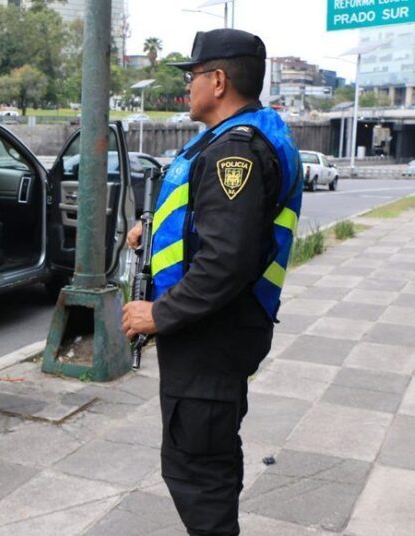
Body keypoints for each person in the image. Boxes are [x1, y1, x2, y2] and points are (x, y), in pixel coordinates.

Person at [122, 29, 303, 535]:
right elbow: (211, 228)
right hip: (218, 334)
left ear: (218, 80)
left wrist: (157, 313)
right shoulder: (237, 140)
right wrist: (152, 232)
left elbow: (226, 260)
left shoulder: (234, 154)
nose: (188, 88)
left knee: (197, 474)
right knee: (210, 460)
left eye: (194, 77)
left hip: (211, 338)